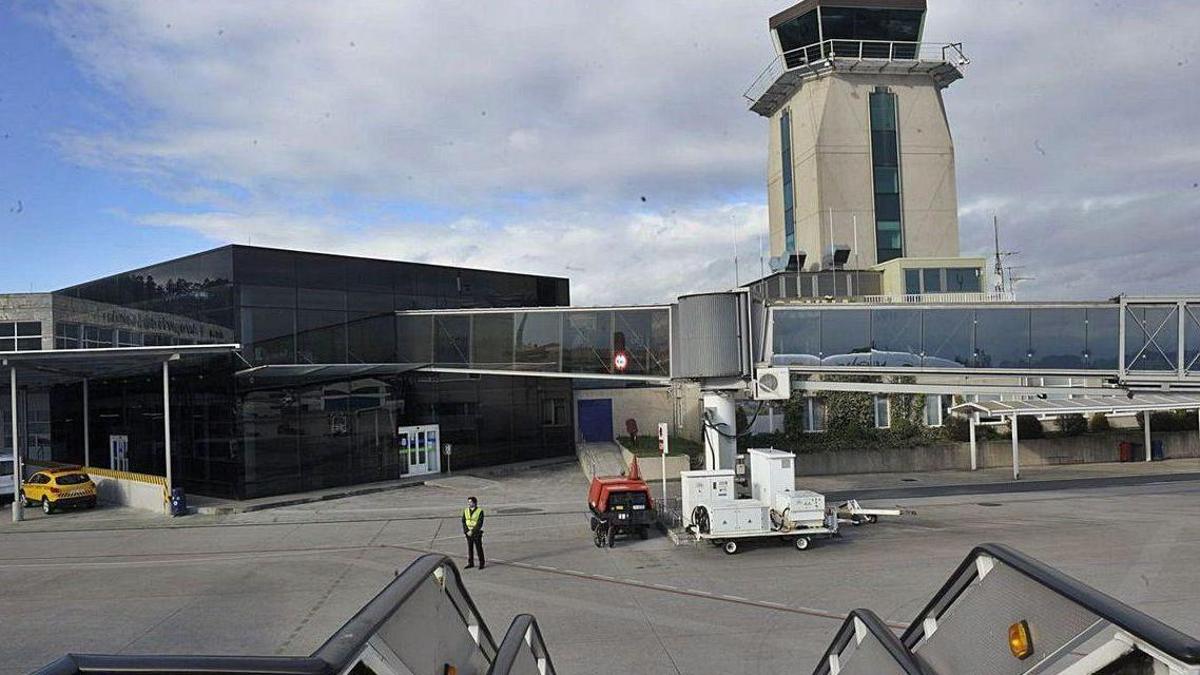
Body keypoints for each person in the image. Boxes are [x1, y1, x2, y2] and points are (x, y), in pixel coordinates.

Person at [462, 496, 485, 569]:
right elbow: (463, 521)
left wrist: (472, 531)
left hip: (476, 533)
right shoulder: (466, 511)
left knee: (479, 548)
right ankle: (470, 563)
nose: (469, 503)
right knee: (470, 548)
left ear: (475, 503)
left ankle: (481, 563)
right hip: (468, 533)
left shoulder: (480, 511)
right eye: (468, 502)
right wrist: (466, 531)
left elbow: (479, 523)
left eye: (471, 502)